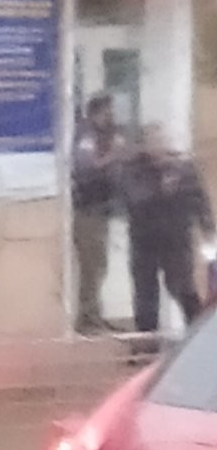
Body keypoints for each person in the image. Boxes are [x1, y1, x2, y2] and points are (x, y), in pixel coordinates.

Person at [122, 124, 216, 338]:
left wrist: (208, 228)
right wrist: (161, 190)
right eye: (152, 141)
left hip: (176, 239)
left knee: (183, 288)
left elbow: (199, 199)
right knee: (146, 294)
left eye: (160, 140)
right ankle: (146, 342)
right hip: (145, 241)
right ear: (144, 146)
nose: (158, 146)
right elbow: (134, 199)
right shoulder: (132, 169)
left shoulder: (182, 167)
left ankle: (199, 336)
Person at [72, 92, 124, 334]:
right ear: (95, 113)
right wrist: (114, 155)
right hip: (87, 211)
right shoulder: (86, 135)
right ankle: (87, 319)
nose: (111, 116)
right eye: (107, 111)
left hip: (102, 209)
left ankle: (95, 314)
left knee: (99, 264)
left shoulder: (106, 135)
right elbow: (86, 168)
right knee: (91, 266)